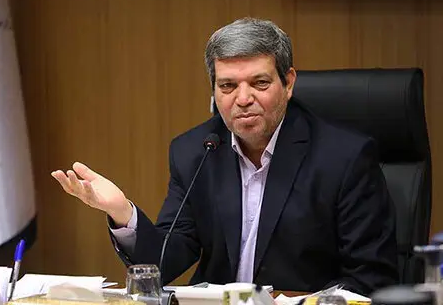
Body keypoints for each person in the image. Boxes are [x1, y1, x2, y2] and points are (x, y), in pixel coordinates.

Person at [51, 18, 398, 295]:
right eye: (228, 86)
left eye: (259, 83)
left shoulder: (344, 157)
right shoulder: (196, 151)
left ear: (288, 83)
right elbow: (165, 262)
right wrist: (122, 213)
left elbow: (370, 279)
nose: (242, 99)